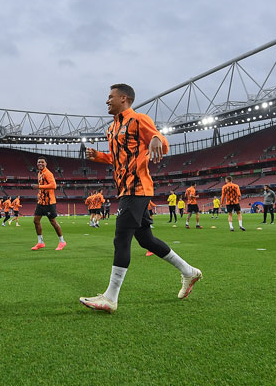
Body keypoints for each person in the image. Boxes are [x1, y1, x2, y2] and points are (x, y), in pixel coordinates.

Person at [80, 83, 201, 313]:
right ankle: (188, 271)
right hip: (126, 189)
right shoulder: (112, 128)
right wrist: (99, 156)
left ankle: (110, 298)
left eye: (110, 97)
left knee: (121, 238)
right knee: (146, 240)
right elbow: (118, 159)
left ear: (124, 99)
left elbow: (161, 143)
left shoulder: (138, 120)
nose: (107, 101)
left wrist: (156, 138)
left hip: (137, 189)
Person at [32, 157, 66, 250]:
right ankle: (40, 242)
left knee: (53, 222)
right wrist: (39, 193)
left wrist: (39, 186)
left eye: (42, 162)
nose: (40, 163)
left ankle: (62, 242)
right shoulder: (39, 173)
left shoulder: (48, 173)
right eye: (38, 162)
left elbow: (53, 185)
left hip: (49, 202)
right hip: (41, 202)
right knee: (36, 220)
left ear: (46, 163)